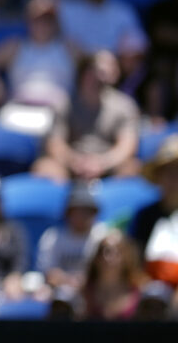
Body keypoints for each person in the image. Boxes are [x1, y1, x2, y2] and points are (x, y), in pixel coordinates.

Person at [33, 54, 140, 182]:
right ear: (83, 74)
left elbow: (127, 146)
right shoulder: (64, 104)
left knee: (132, 168)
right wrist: (75, 162)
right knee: (45, 167)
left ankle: (117, 202)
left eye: (104, 73)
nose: (98, 78)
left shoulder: (124, 105)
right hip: (70, 165)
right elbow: (55, 144)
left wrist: (102, 163)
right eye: (94, 72)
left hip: (109, 166)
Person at [37, 182, 105, 290]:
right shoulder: (52, 237)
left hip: (95, 292)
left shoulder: (104, 236)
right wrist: (68, 280)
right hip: (58, 292)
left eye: (89, 211)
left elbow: (109, 273)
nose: (84, 216)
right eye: (79, 211)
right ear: (68, 212)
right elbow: (48, 274)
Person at [132, 136, 178, 286]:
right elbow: (135, 262)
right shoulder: (145, 215)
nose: (174, 179)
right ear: (158, 176)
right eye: (169, 172)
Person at [80, 230, 146, 320]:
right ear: (96, 258)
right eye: (105, 251)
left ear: (127, 257)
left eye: (117, 252)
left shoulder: (141, 292)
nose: (109, 257)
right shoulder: (83, 292)